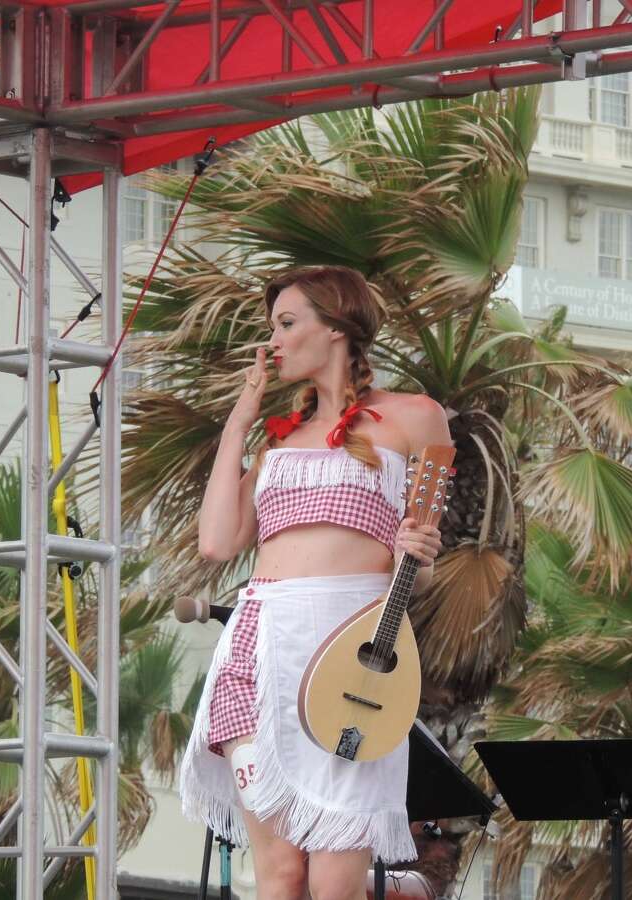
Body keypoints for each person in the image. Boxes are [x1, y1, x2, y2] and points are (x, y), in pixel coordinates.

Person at [179, 265, 453, 900]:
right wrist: (238, 423)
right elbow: (218, 542)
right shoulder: (279, 444)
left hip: (356, 666)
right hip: (259, 649)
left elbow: (423, 558)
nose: (271, 340)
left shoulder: (415, 418)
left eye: (286, 323)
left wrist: (421, 551)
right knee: (278, 876)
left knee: (334, 883)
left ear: (336, 327)